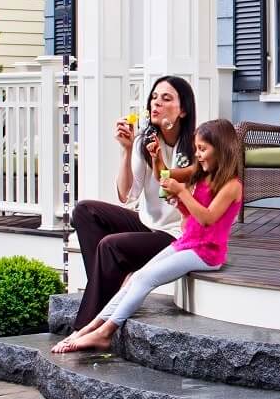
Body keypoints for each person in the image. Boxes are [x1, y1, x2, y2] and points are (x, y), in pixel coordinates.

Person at [52, 118, 243, 354]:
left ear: (222, 149)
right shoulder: (201, 172)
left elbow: (207, 218)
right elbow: (165, 176)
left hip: (207, 253)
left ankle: (106, 333)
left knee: (145, 279)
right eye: (196, 149)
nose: (198, 154)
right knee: (135, 277)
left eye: (203, 149)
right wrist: (157, 158)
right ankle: (87, 329)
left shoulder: (232, 186)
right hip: (188, 242)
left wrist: (182, 192)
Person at [65, 75, 197, 334]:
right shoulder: (144, 141)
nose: (155, 104)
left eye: (166, 98)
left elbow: (172, 184)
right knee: (84, 211)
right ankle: (114, 295)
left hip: (175, 235)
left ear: (182, 110)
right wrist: (126, 150)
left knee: (110, 246)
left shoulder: (194, 146)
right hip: (147, 223)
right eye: (154, 98)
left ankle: (84, 328)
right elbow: (127, 195)